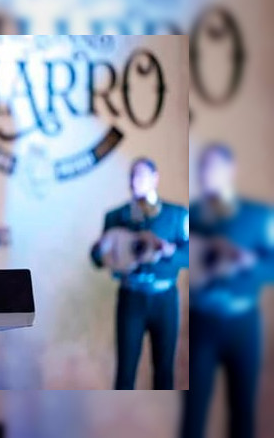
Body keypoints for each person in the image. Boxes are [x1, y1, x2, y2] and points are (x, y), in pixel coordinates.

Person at [182, 144, 274, 438]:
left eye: (213, 166)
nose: (206, 174)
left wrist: (250, 265)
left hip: (243, 323)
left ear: (230, 169)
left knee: (242, 412)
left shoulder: (258, 215)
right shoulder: (191, 216)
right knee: (193, 413)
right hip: (201, 321)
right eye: (202, 167)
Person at [90, 157, 189, 389]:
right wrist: (99, 251)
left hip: (165, 298)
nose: (136, 180)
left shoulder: (176, 214)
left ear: (155, 178)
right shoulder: (116, 216)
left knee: (164, 371)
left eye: (141, 175)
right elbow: (98, 259)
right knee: (125, 371)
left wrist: (169, 252)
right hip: (131, 295)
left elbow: (190, 255)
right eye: (132, 175)